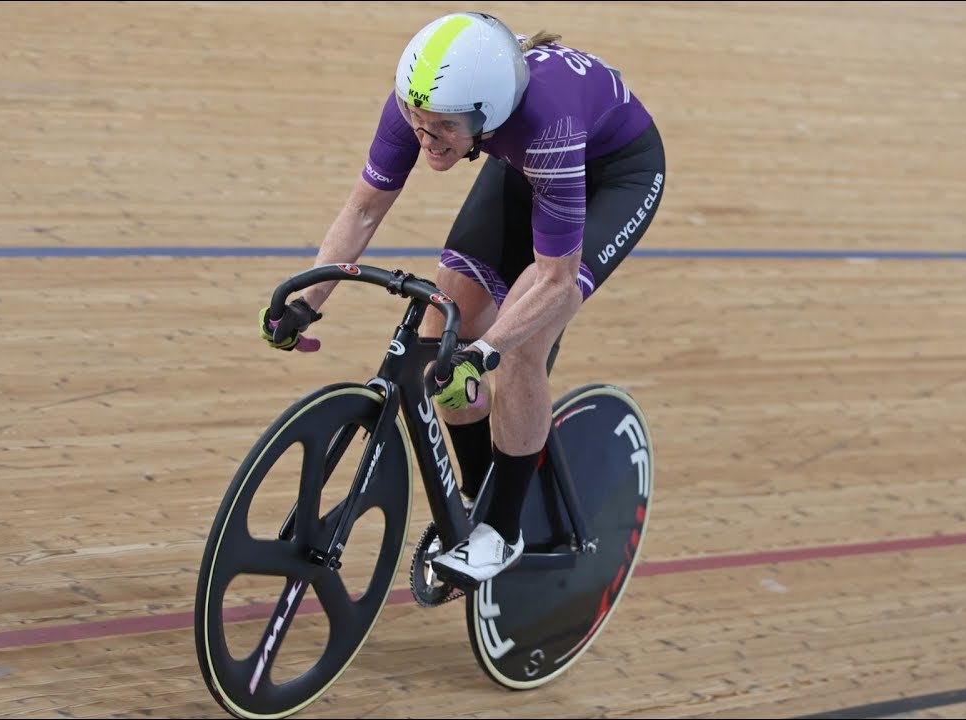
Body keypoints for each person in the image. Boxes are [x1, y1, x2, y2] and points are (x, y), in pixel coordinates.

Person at [260, 12, 666, 587]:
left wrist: (486, 351)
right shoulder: (424, 100)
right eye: (418, 122)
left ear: (486, 116)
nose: (426, 139)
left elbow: (554, 279)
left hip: (615, 178)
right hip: (524, 165)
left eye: (443, 128)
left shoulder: (543, 126)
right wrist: (307, 300)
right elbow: (363, 209)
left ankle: (502, 530)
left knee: (521, 345)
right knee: (440, 334)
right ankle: (476, 502)